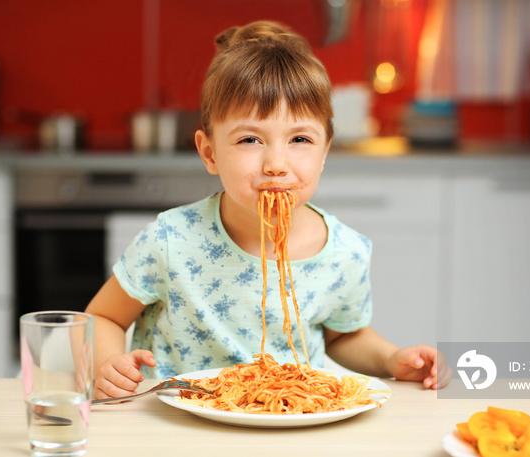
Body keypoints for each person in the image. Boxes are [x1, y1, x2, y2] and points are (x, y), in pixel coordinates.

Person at [85, 20, 453, 400]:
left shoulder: (345, 251)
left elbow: (343, 335)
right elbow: (104, 316)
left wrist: (392, 359)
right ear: (209, 152)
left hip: (291, 421)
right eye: (249, 139)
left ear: (324, 151)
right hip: (179, 422)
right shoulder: (171, 240)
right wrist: (108, 361)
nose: (276, 163)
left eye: (299, 139)